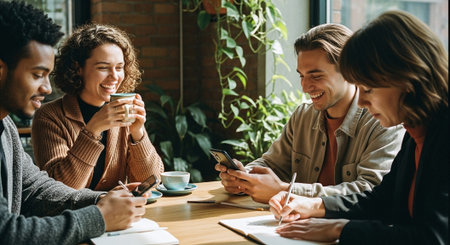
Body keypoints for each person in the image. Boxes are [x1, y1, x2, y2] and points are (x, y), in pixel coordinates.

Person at [269, 10, 448, 245]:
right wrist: (316, 206)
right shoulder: (415, 131)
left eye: (368, 90)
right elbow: (383, 200)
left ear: (406, 79)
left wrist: (341, 230)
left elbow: (432, 238)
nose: (361, 102)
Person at [0, 2, 147, 244]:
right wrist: (99, 217)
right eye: (37, 75)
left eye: (47, 75)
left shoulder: (6, 128)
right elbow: (7, 233)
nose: (47, 89)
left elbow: (37, 189)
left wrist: (101, 201)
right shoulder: (48, 116)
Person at [215, 23, 405, 203]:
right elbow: (272, 164)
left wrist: (285, 190)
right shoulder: (303, 116)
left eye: (316, 76)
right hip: (297, 224)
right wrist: (243, 177)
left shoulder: (383, 122)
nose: (305, 87)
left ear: (349, 71)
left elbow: (370, 191)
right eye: (301, 76)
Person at [32, 24, 164, 191]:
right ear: (77, 68)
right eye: (103, 67)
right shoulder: (49, 116)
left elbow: (152, 181)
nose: (115, 77)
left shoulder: (124, 115)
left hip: (118, 214)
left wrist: (138, 134)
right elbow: (60, 189)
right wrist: (93, 130)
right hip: (73, 217)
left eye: (119, 67)